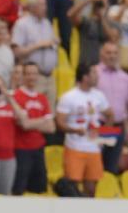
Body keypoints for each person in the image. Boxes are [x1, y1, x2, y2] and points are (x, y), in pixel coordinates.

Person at [56, 63, 114, 197]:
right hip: (75, 147)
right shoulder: (69, 97)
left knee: (91, 188)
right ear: (85, 77)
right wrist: (74, 130)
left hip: (94, 149)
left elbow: (110, 115)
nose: (97, 76)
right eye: (93, 73)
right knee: (71, 187)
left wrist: (102, 135)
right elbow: (59, 122)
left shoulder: (99, 95)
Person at [11, 62, 55, 196]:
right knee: (19, 188)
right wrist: (42, 121)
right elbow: (24, 125)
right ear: (23, 76)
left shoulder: (42, 98)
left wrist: (32, 122)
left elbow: (51, 128)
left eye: (34, 74)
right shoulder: (16, 96)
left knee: (40, 189)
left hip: (38, 149)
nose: (31, 77)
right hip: (21, 149)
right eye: (28, 74)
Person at [95, 42, 128, 175]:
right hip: (100, 125)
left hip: (119, 126)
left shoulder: (125, 77)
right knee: (97, 165)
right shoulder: (94, 73)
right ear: (101, 54)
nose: (112, 56)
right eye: (108, 53)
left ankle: (107, 193)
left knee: (112, 167)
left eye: (115, 53)